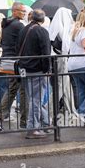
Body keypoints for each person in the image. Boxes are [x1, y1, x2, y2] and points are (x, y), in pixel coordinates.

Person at [0, 2, 27, 131]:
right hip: (17, 62)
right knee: (20, 89)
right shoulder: (18, 25)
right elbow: (24, 42)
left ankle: (22, 119)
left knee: (15, 88)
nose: (24, 13)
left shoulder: (7, 24)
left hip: (8, 61)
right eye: (22, 11)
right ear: (15, 11)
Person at [18, 9, 52, 139]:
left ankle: (45, 124)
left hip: (24, 68)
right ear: (42, 20)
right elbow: (46, 53)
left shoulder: (23, 30)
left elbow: (17, 48)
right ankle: (33, 129)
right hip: (36, 69)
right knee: (36, 99)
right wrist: (46, 69)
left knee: (32, 98)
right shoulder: (42, 31)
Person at [48, 7, 76, 116]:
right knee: (61, 85)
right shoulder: (64, 28)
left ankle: (71, 110)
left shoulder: (54, 27)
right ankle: (48, 110)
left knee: (66, 85)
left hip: (56, 58)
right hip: (62, 58)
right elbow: (66, 45)